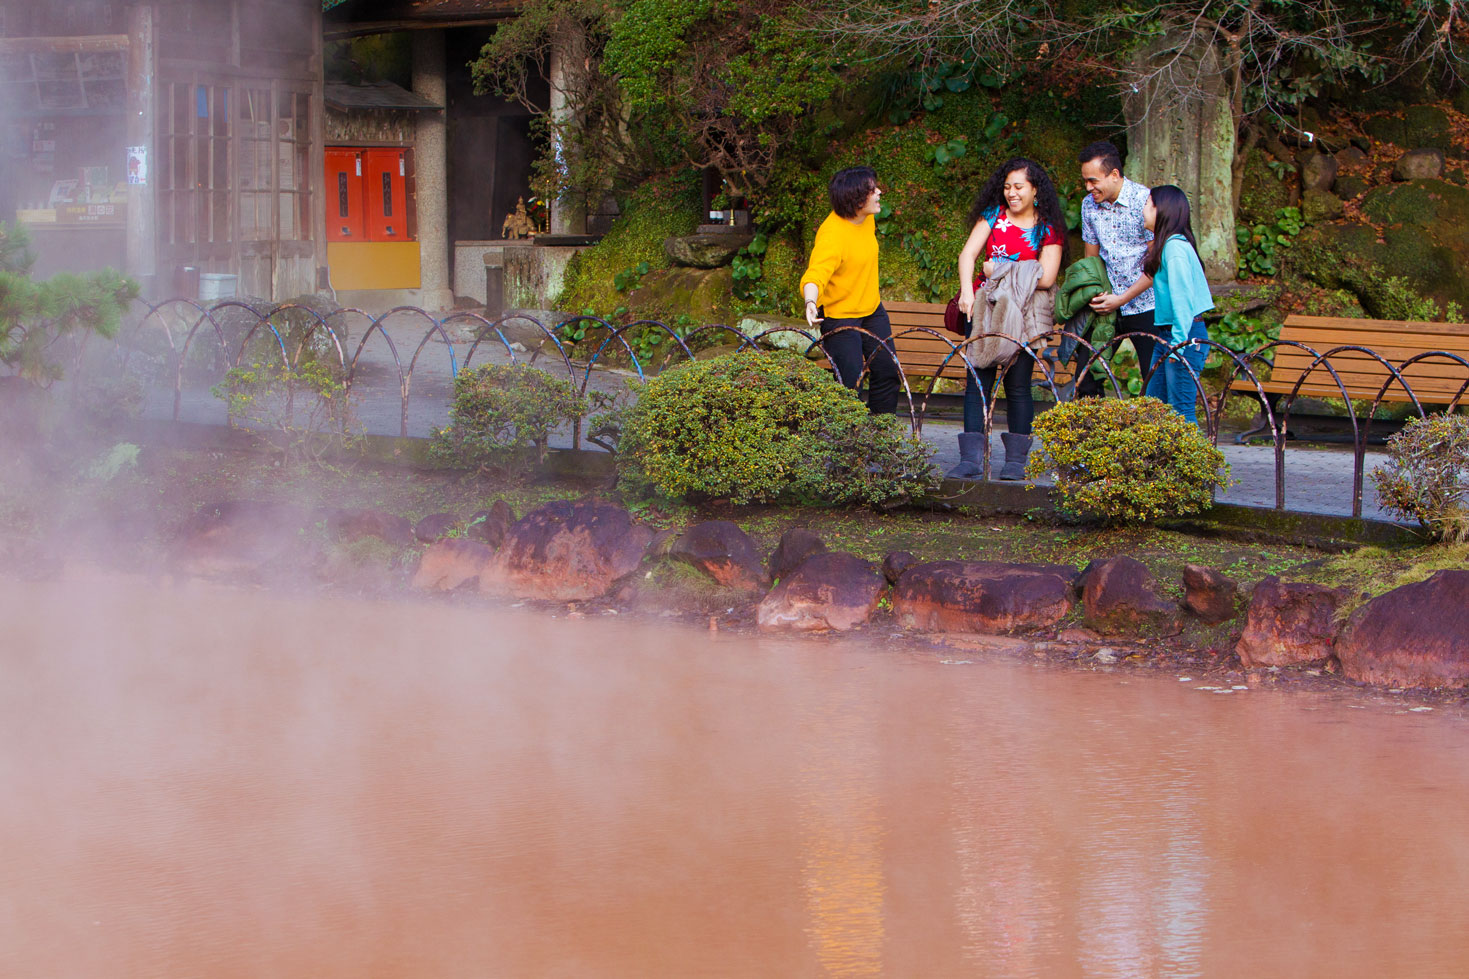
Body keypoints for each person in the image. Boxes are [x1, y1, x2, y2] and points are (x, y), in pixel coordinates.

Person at [947, 158, 1066, 480]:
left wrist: (997, 269)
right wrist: (966, 293)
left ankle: (1015, 461)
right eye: (1007, 187)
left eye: (1019, 187)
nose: (1011, 193)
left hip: (1024, 316)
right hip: (985, 308)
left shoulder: (1047, 228)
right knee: (977, 383)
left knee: (1018, 387)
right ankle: (971, 460)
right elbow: (968, 254)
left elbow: (1046, 277)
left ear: (1035, 189)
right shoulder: (994, 216)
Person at [799, 165, 900, 415]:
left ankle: (880, 435)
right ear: (855, 199)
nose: (879, 192)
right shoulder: (832, 234)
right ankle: (848, 442)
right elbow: (816, 273)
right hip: (840, 314)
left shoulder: (867, 219)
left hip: (871, 308)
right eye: (872, 190)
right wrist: (811, 302)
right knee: (850, 381)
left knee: (887, 370)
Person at [1078, 140, 1157, 394]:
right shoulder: (1088, 205)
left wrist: (1122, 299)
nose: (1088, 187)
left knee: (1152, 377)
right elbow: (1092, 258)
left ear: (1114, 174)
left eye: (1093, 181)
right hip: (1106, 302)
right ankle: (1091, 429)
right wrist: (1097, 294)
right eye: (1085, 181)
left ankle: (1151, 432)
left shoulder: (1145, 201)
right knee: (1086, 373)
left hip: (1146, 302)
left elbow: (1157, 263)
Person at [1142, 185, 1214, 423]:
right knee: (1154, 408)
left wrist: (1179, 346)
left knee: (1181, 411)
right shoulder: (1167, 247)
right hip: (1168, 335)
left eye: (1147, 204)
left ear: (1161, 210)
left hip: (1184, 336)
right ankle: (1161, 460)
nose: (1142, 210)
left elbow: (1183, 300)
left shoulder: (1174, 248)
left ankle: (1199, 461)